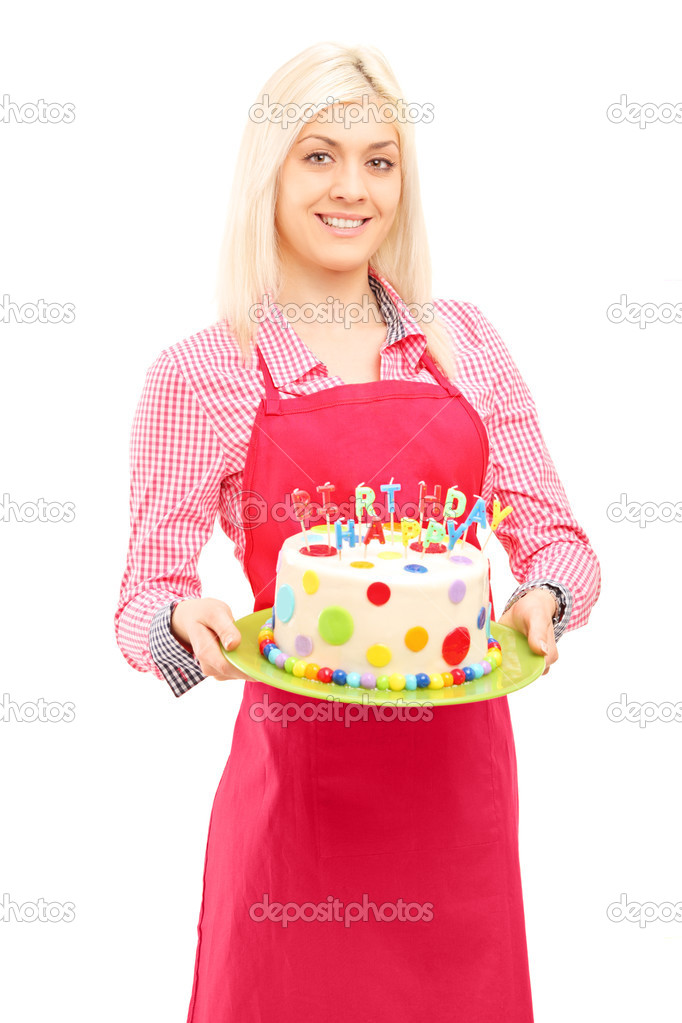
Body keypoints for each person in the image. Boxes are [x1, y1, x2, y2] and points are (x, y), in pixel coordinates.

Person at [114, 42, 601, 1023]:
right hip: (301, 806)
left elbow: (556, 542)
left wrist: (544, 601)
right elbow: (140, 599)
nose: (353, 188)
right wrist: (185, 625)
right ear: (270, 174)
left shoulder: (465, 343)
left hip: (457, 794)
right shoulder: (201, 373)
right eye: (319, 156)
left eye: (379, 160)